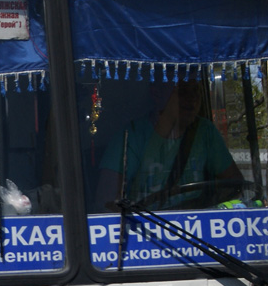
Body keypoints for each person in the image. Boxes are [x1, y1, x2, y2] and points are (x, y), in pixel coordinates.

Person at [96, 78, 241, 211]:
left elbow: (234, 185)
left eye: (196, 91)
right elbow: (106, 203)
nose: (192, 99)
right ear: (157, 94)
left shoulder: (205, 132)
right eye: (183, 91)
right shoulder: (131, 136)